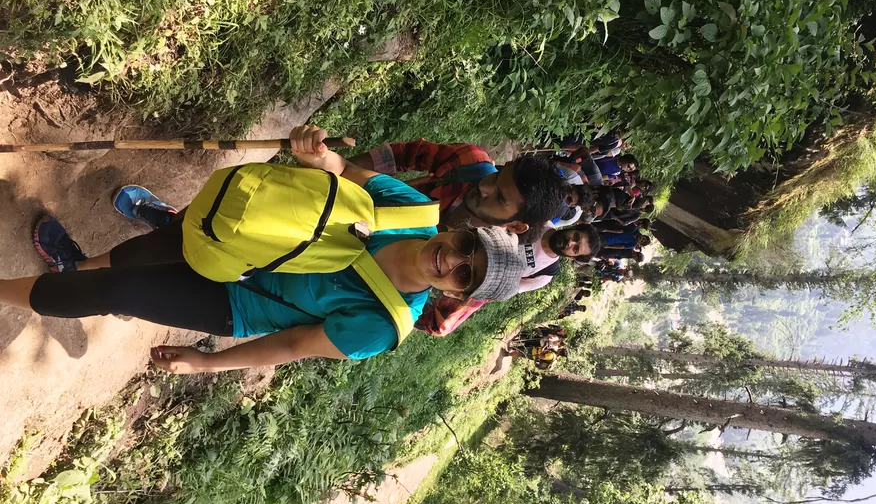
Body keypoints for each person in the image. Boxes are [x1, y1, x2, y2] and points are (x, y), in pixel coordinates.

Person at [3, 126, 525, 373]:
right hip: (241, 236)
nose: (452, 259)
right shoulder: (412, 212)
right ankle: (75, 264)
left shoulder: (385, 324)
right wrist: (317, 156)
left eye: (465, 275)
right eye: (466, 247)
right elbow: (346, 172)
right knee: (136, 256)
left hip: (235, 300)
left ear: (456, 296)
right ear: (462, 231)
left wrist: (207, 363)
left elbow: (294, 344)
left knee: (116, 291)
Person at [350, 140, 568, 240]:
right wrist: (345, 170)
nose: (484, 187)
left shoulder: (477, 257)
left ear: (516, 225)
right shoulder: (470, 162)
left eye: (500, 198)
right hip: (356, 203)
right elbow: (406, 154)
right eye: (496, 176)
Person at [417, 223, 601, 336]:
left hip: (478, 279)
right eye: (576, 237)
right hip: (469, 241)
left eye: (575, 248)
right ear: (574, 228)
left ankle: (415, 306)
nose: (570, 243)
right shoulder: (539, 221)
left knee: (442, 324)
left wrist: (467, 293)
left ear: (573, 257)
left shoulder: (545, 274)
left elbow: (508, 289)